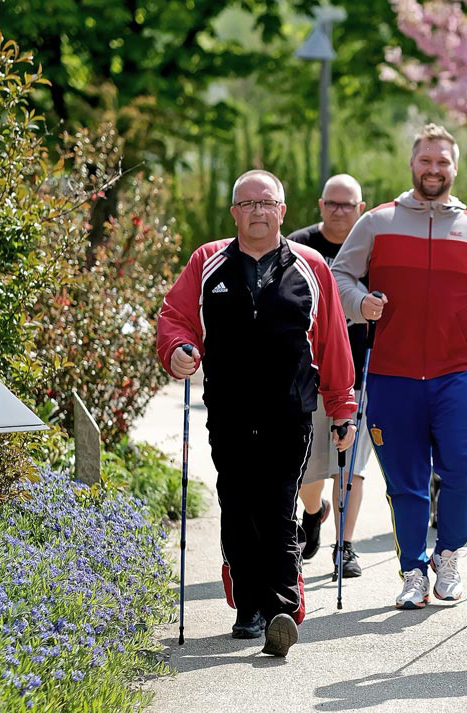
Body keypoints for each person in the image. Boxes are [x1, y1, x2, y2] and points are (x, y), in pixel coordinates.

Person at [156, 169, 356, 658]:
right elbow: (175, 317)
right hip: (227, 408)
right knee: (237, 503)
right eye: (247, 204)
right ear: (234, 213)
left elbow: (332, 342)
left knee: (277, 502)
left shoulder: (311, 267)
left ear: (283, 212)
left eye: (267, 203)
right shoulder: (207, 263)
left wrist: (342, 407)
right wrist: (179, 349)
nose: (258, 212)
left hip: (290, 410)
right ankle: (248, 605)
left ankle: (282, 609)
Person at [331, 124, 467, 609]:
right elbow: (338, 274)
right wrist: (360, 302)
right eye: (426, 160)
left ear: (454, 167)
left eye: (442, 162)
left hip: (458, 378)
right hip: (392, 376)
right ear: (413, 163)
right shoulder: (378, 222)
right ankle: (413, 571)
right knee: (404, 481)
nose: (433, 169)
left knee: (463, 472)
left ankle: (448, 557)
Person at [286, 174, 370, 578]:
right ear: (321, 206)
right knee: (309, 471)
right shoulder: (299, 246)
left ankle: (346, 547)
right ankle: (314, 512)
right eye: (332, 204)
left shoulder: (370, 250)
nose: (340, 211)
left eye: (347, 205)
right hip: (311, 372)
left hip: (361, 370)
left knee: (349, 465)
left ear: (361, 209)